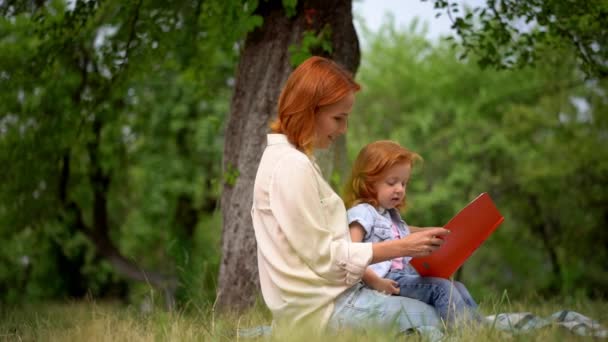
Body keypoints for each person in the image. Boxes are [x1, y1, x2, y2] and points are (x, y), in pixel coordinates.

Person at [251, 56, 450, 335]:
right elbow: (325, 258)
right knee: (429, 319)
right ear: (309, 110)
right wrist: (403, 247)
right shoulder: (291, 167)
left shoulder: (291, 160)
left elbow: (316, 244)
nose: (344, 130)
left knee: (438, 308)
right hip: (324, 307)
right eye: (338, 118)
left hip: (324, 300)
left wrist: (417, 235)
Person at [343, 140, 480, 326]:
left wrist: (434, 232)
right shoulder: (362, 212)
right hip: (386, 279)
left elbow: (407, 232)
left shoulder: (391, 216)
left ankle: (482, 329)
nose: (399, 189)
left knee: (458, 287)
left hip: (405, 274)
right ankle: (464, 333)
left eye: (404, 183)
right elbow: (352, 254)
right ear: (368, 181)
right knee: (442, 289)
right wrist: (375, 281)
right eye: (391, 182)